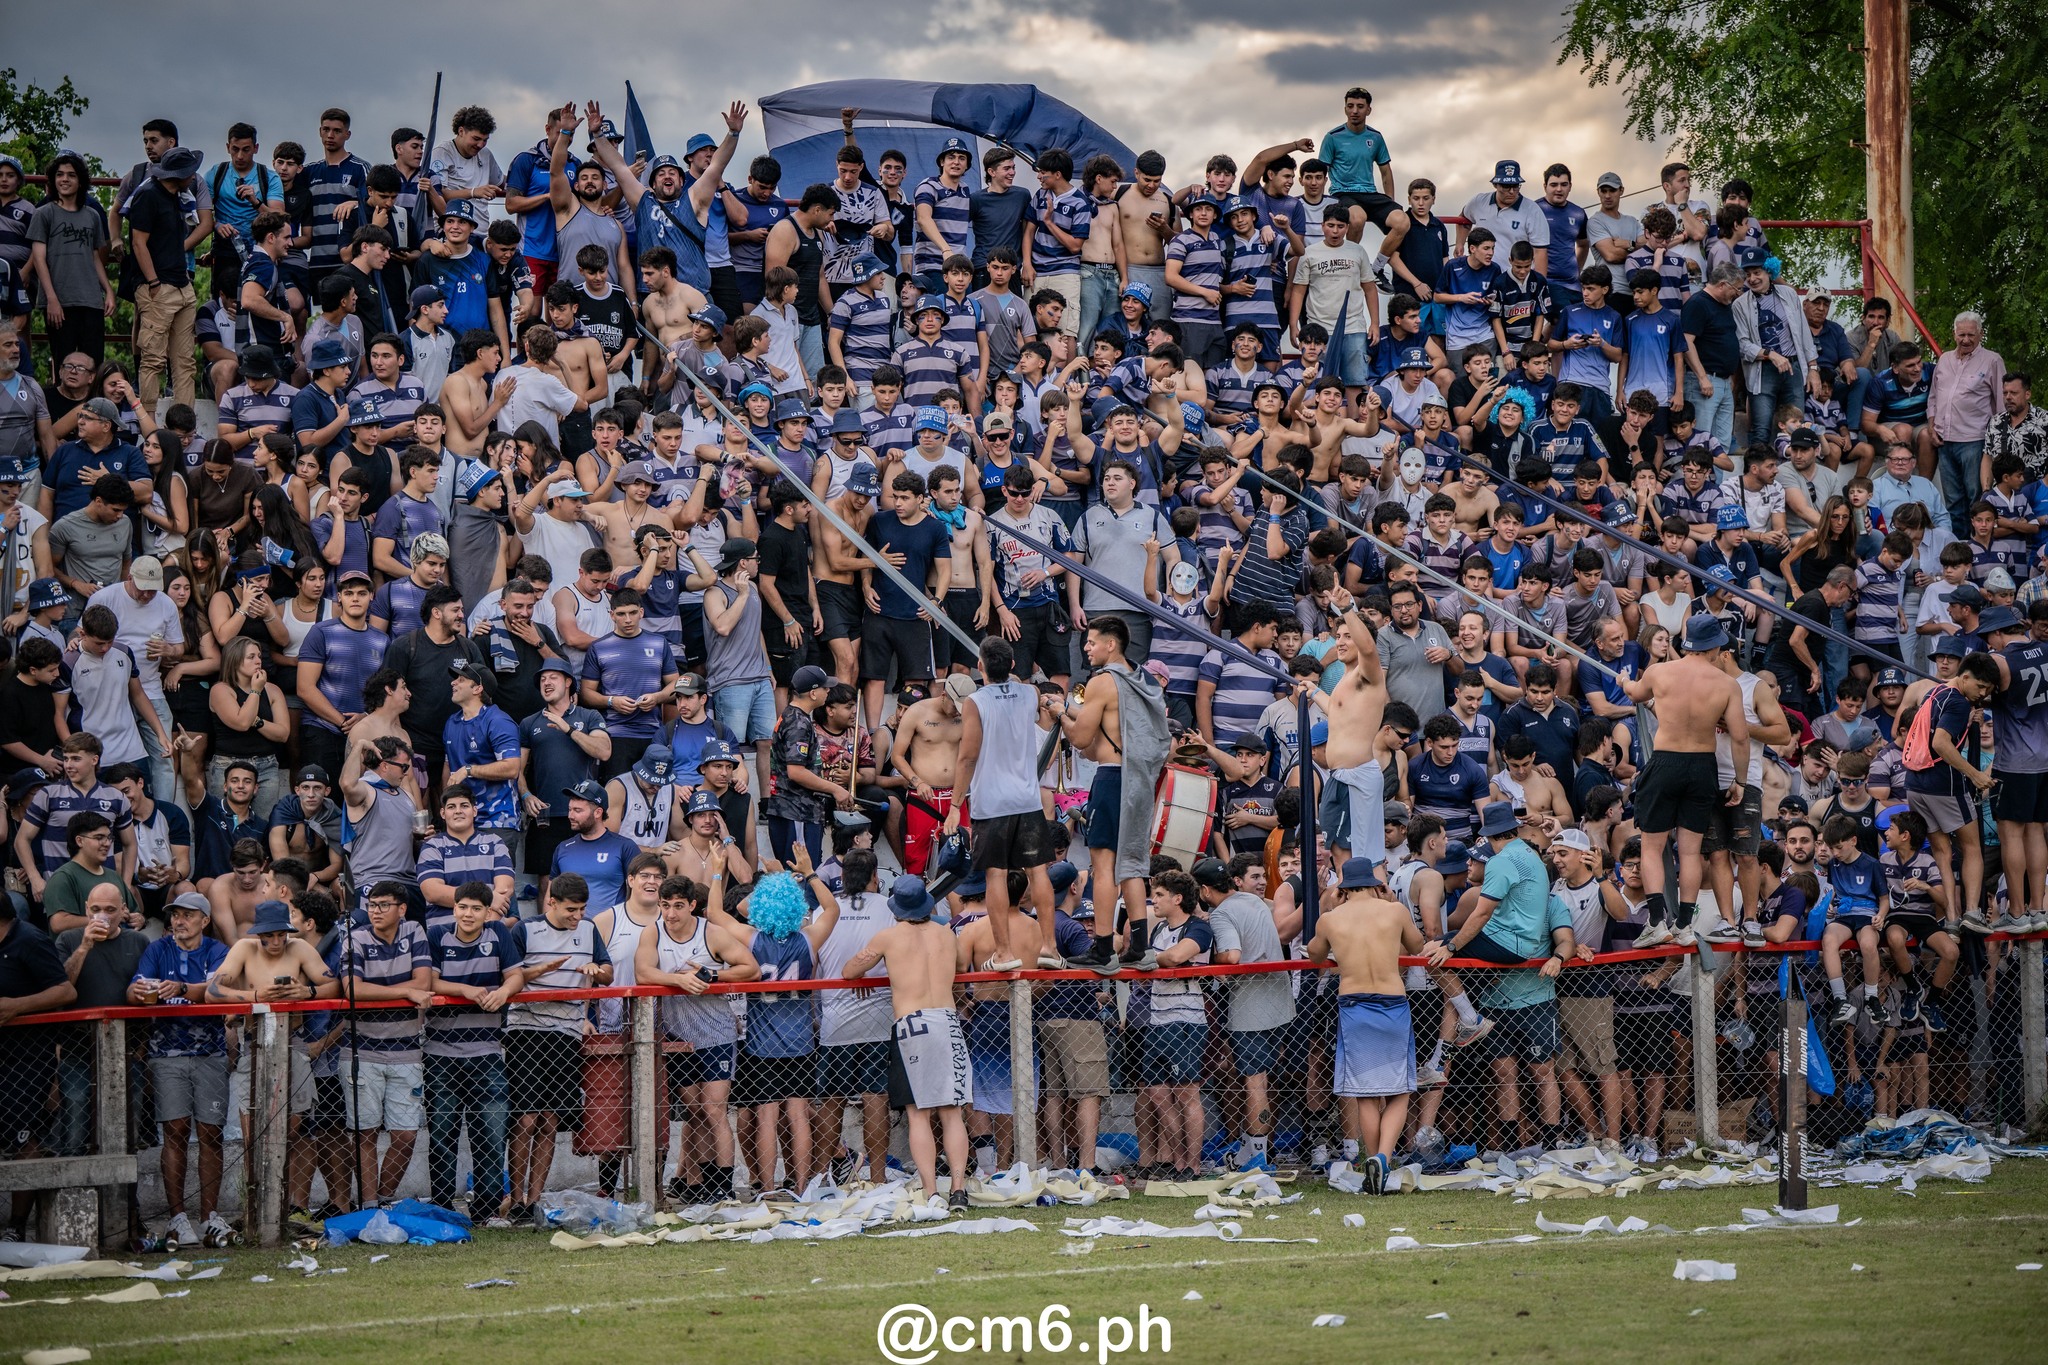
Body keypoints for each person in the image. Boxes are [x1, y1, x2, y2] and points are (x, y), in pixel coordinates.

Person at [1428, 801, 1579, 1151]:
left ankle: (1464, 1023)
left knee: (1432, 955)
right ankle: (1519, 1142)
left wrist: (1450, 948)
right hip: (1507, 972)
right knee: (1506, 1072)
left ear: (1489, 837)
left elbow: (1481, 914)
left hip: (1513, 958)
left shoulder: (1501, 861)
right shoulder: (1533, 860)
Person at [842, 875, 974, 1209]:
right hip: (947, 1019)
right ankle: (958, 1189)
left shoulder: (888, 936)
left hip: (911, 1025)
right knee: (952, 1112)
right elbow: (960, 967)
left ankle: (931, 1191)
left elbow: (849, 971)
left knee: (919, 1114)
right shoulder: (947, 934)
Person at [1620, 615, 1751, 946]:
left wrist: (1624, 682)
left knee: (1652, 846)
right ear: (1716, 646)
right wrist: (1740, 780)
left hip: (1666, 761)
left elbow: (1635, 694)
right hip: (1702, 766)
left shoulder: (1660, 672)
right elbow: (1739, 736)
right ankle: (1683, 924)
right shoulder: (1726, 684)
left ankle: (1655, 921)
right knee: (1691, 852)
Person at [1305, 857, 1427, 1194]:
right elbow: (1417, 946)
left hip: (1354, 1005)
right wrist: (1390, 902)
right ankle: (1383, 1160)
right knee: (1399, 1090)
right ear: (1377, 884)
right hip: (1392, 1002)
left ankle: (1375, 1159)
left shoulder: (1331, 919)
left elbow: (1315, 955)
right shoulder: (1394, 912)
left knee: (1364, 1093)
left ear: (1343, 888)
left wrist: (1328, 906)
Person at [636, 869, 758, 1202]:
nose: (671, 914)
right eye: (665, 905)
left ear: (692, 905)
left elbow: (751, 968)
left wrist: (709, 976)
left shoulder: (711, 933)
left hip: (716, 1032)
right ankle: (703, 1180)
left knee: (714, 1108)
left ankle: (724, 1185)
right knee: (695, 1110)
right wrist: (678, 980)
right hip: (678, 1036)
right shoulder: (654, 932)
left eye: (678, 906)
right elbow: (643, 971)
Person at [503, 872, 611, 1220]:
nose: (577, 916)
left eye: (581, 909)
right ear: (550, 901)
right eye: (570, 910)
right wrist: (539, 971)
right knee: (526, 1119)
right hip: (527, 1029)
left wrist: (598, 969)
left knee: (550, 1120)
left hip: (566, 1032)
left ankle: (533, 1200)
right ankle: (516, 1197)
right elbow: (508, 978)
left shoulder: (589, 929)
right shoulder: (524, 930)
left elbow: (608, 971)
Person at [948, 638, 1060, 969]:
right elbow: (1020, 688)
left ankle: (1004, 952)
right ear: (1012, 665)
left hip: (991, 802)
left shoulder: (975, 701)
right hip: (1026, 798)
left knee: (995, 876)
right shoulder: (1030, 694)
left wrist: (955, 805)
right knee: (1038, 872)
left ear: (980, 667)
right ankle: (1050, 948)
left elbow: (967, 756)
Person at [127, 891, 232, 1247]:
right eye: (175, 915)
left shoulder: (217, 950)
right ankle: (177, 1218)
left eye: (188, 915)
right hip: (166, 1053)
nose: (178, 921)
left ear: (204, 920)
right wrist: (141, 992)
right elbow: (132, 991)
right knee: (173, 1131)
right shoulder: (157, 949)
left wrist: (185, 988)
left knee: (211, 1133)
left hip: (211, 1053)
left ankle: (210, 1217)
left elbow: (220, 990)